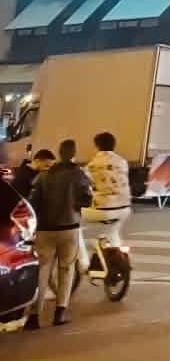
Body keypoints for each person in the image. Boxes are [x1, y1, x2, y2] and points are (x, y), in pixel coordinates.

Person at [27, 141, 91, 329]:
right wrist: (74, 204)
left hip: (45, 229)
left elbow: (33, 203)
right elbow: (87, 199)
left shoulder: (44, 176)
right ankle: (60, 312)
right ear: (73, 154)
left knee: (42, 271)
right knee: (66, 269)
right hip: (69, 228)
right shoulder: (78, 174)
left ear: (59, 153)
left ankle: (34, 316)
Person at [82, 131, 132, 256]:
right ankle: (115, 252)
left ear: (97, 146)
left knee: (73, 221)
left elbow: (83, 184)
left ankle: (82, 259)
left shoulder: (92, 165)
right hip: (124, 209)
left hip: (102, 210)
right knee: (113, 230)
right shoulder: (123, 162)